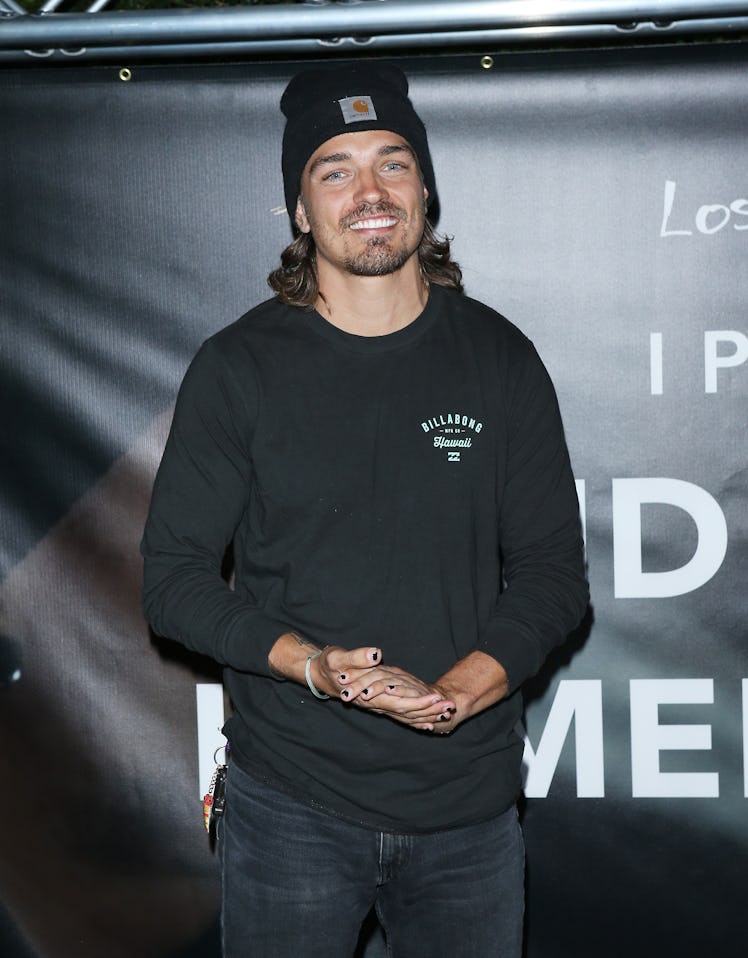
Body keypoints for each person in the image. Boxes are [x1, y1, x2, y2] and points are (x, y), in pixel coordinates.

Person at [141, 62, 588, 958]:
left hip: (468, 815)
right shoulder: (239, 369)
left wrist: (460, 690)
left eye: (393, 162)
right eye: (334, 170)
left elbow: (553, 576)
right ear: (301, 211)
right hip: (289, 806)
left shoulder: (501, 359)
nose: (370, 192)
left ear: (424, 189)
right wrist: (315, 667)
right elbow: (173, 581)